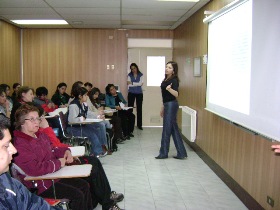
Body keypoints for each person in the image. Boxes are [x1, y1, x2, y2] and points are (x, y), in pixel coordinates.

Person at [13, 104, 123, 210]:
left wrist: (66, 152)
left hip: (52, 176)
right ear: (22, 122)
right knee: (78, 195)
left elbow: (53, 149)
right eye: (32, 119)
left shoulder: (40, 135)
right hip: (41, 184)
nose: (37, 122)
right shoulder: (20, 144)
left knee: (84, 185)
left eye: (37, 118)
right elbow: (35, 169)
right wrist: (58, 163)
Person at [0, 121, 61, 210]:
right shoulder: (23, 143)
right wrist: (58, 163)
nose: (14, 150)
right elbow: (35, 168)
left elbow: (35, 206)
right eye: (6, 145)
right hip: (43, 184)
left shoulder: (7, 181)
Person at [155, 61, 188, 160]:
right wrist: (162, 107)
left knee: (166, 129)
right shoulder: (166, 79)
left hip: (172, 105)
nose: (167, 69)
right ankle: (181, 153)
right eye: (166, 67)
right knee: (173, 129)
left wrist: (169, 89)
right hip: (167, 105)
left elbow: (176, 94)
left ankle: (163, 153)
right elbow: (164, 96)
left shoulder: (174, 80)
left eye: (169, 67)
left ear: (173, 71)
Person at [68, 86, 108, 157]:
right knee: (92, 134)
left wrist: (98, 116)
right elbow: (71, 120)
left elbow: (87, 114)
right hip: (73, 128)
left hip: (80, 126)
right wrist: (81, 119)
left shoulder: (83, 104)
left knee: (96, 130)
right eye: (85, 95)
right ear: (80, 96)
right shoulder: (73, 105)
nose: (87, 97)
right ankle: (97, 152)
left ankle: (95, 151)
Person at [127, 63, 144, 130]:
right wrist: (136, 84)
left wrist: (132, 83)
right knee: (130, 109)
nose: (133, 70)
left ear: (136, 68)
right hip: (131, 93)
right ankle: (129, 125)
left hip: (139, 93)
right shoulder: (129, 75)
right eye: (132, 69)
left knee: (139, 109)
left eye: (134, 68)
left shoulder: (141, 75)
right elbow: (129, 85)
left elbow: (141, 84)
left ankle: (139, 125)